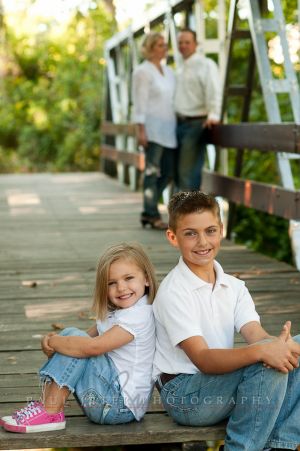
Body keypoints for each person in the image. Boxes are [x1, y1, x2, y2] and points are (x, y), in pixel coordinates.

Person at [153, 191, 300, 451]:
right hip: (185, 396)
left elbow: (256, 334)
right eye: (190, 233)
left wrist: (280, 345)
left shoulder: (234, 287)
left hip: (221, 388)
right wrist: (264, 351)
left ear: (221, 230)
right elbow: (204, 359)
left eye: (210, 231)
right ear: (172, 237)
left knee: (287, 352)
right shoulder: (173, 292)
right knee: (266, 362)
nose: (202, 241)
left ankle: (281, 444)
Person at [1, 243, 157, 434]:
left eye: (129, 278)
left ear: (147, 279)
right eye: (111, 283)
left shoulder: (140, 315)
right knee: (73, 336)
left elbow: (93, 347)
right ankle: (47, 408)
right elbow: (81, 341)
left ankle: (50, 411)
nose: (121, 288)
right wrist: (57, 341)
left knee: (75, 339)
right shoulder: (117, 313)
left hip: (119, 406)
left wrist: (56, 341)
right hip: (106, 400)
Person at [132, 32, 177, 230]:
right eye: (159, 45)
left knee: (169, 171)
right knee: (151, 172)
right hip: (152, 129)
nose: (164, 48)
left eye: (165, 44)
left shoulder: (169, 72)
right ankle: (150, 213)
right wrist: (140, 130)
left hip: (170, 129)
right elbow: (139, 103)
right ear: (150, 49)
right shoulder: (142, 72)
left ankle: (148, 209)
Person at [174, 29, 222, 191]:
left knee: (187, 172)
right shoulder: (180, 67)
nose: (183, 46)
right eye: (180, 42)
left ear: (196, 44)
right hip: (177, 123)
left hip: (195, 123)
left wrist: (214, 114)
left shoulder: (206, 64)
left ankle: (189, 213)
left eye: (187, 42)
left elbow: (214, 91)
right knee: (176, 171)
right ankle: (182, 212)